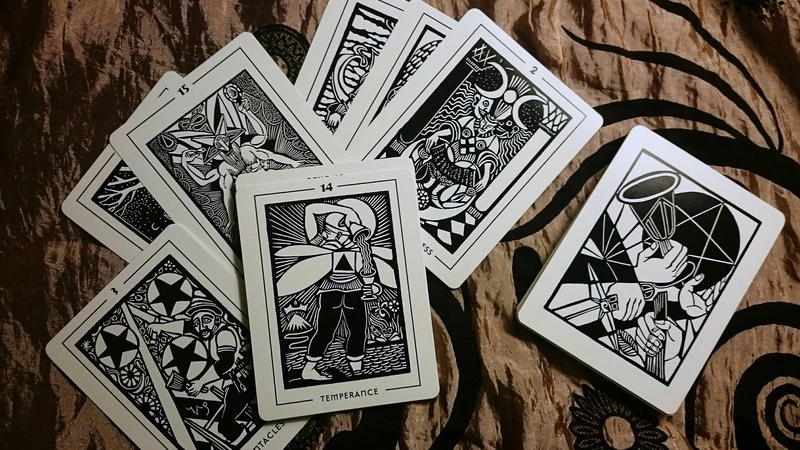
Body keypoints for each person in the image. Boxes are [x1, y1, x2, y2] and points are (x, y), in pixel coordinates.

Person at [147, 299, 251, 442]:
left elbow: (226, 363)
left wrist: (201, 382)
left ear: (217, 319)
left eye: (206, 320)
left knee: (225, 425)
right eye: (197, 323)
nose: (201, 326)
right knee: (225, 424)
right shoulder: (206, 330)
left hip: (247, 382)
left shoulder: (224, 333)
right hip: (235, 384)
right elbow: (184, 326)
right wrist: (159, 326)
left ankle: (245, 438)